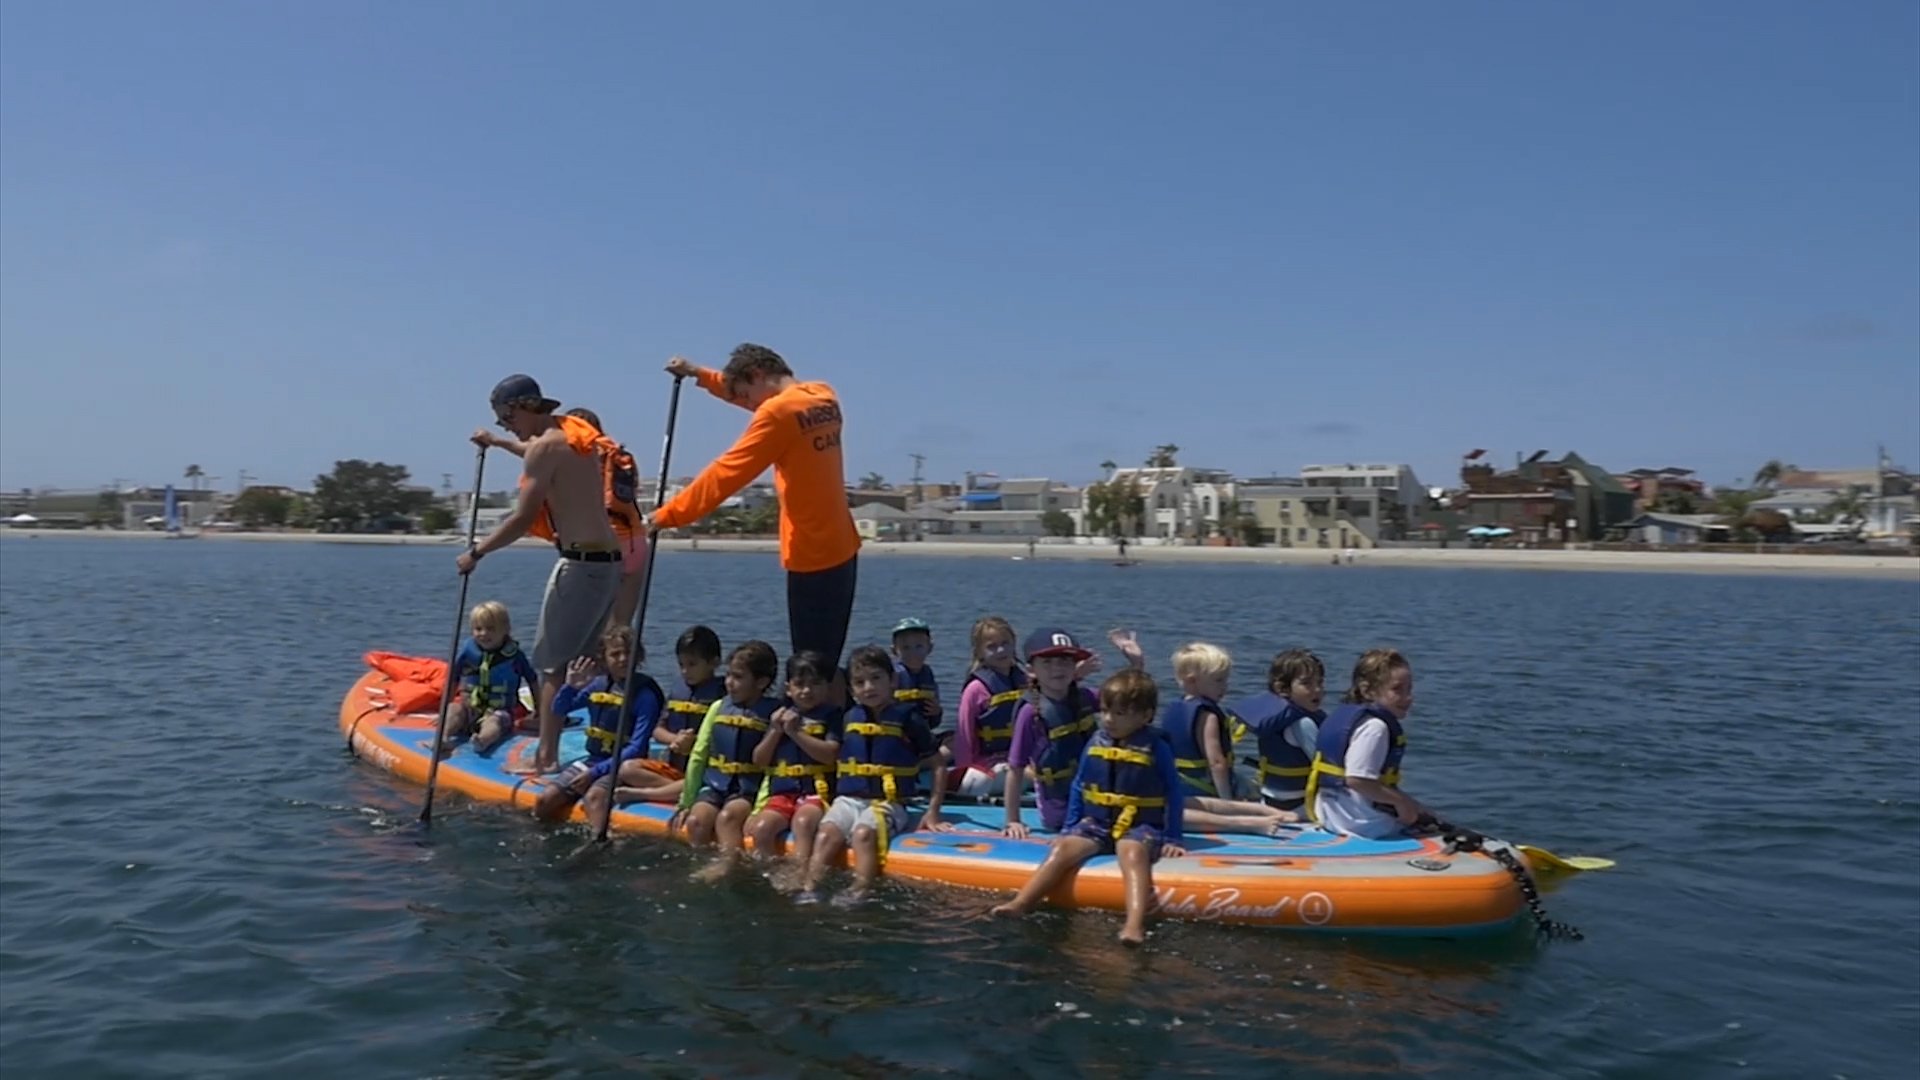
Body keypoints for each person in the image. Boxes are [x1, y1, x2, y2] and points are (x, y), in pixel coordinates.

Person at [651, 346, 862, 684]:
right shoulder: (824, 396)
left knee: (810, 667)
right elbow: (755, 398)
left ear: (758, 375)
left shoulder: (776, 415)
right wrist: (699, 374)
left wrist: (668, 515)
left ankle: (811, 730)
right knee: (825, 660)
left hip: (811, 553)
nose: (748, 406)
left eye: (748, 395)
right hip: (844, 547)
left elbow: (727, 473)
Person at [459, 374, 624, 774]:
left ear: (523, 407)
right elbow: (534, 451)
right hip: (609, 564)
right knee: (585, 661)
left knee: (552, 665)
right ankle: (602, 742)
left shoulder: (545, 448)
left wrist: (477, 552)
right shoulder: (569, 433)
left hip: (580, 566)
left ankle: (545, 757)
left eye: (505, 418)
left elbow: (522, 518)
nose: (506, 425)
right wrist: (498, 444)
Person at [991, 668, 1187, 946]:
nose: (1108, 719)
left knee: (1131, 853)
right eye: (1105, 711)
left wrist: (1173, 836)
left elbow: (1174, 793)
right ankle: (1021, 903)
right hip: (1096, 823)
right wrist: (1071, 827)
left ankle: (1133, 925)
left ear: (1145, 716)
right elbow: (1079, 787)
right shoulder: (1096, 742)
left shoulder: (1157, 748)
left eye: (1119, 714)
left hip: (1139, 824)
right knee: (1062, 849)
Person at [476, 407, 651, 628]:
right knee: (621, 630)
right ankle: (626, 661)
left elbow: (537, 451)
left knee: (587, 632)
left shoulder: (575, 450)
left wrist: (494, 441)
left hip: (603, 547)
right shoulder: (615, 454)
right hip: (636, 544)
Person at [797, 645, 946, 904]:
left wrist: (932, 811)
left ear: (893, 680)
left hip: (888, 802)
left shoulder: (907, 718)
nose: (868, 687)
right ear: (851, 689)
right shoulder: (848, 717)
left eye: (876, 679)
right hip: (849, 799)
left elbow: (939, 764)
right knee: (826, 833)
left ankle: (860, 889)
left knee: (863, 834)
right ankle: (810, 887)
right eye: (860, 682)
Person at [532, 624, 667, 830]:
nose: (623, 658)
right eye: (616, 654)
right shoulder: (598, 685)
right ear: (604, 658)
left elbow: (637, 748)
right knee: (545, 800)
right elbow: (559, 709)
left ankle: (600, 845)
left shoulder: (644, 696)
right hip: (594, 761)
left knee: (594, 799)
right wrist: (570, 686)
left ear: (638, 656)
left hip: (622, 767)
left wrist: (594, 774)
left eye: (628, 653)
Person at [670, 640, 780, 879]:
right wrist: (686, 802)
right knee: (697, 820)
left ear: (761, 682)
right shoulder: (719, 707)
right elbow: (699, 755)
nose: (729, 682)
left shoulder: (774, 715)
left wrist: (760, 808)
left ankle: (729, 864)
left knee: (728, 818)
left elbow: (775, 768)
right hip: (716, 784)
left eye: (739, 677)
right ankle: (701, 862)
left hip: (747, 789)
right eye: (729, 675)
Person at [1306, 649, 1433, 838]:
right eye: (1397, 689)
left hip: (1331, 817)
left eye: (1409, 689)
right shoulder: (1375, 727)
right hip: (1361, 826)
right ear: (1368, 690)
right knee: (1427, 822)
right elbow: (1358, 780)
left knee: (1423, 811)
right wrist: (1402, 803)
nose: (1408, 697)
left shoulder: (1346, 716)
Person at [746, 651, 844, 876]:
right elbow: (759, 760)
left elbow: (830, 755)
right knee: (762, 828)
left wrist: (795, 732)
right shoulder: (779, 716)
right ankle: (768, 875)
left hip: (817, 792)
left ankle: (799, 872)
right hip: (783, 794)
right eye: (800, 684)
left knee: (803, 822)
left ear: (827, 688)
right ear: (789, 688)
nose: (807, 691)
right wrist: (775, 730)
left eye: (815, 684)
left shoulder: (833, 716)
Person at [1001, 627, 1102, 837]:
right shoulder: (1031, 713)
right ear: (1031, 670)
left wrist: (1136, 664)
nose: (1058, 668)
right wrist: (1013, 821)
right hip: (1060, 807)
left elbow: (1128, 702)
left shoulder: (1085, 697)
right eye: (1047, 662)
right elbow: (1016, 768)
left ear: (1075, 667)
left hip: (1094, 793)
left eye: (1065, 661)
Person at [437, 600, 539, 759]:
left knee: (494, 723)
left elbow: (532, 680)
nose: (484, 633)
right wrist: (444, 708)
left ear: (505, 629)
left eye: (491, 629)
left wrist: (538, 710)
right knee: (453, 710)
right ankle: (443, 736)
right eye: (478, 629)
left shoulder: (515, 656)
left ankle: (483, 740)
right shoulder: (467, 651)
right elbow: (453, 678)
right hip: (469, 709)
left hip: (499, 712)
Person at [1234, 649, 1327, 813]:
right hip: (1300, 804)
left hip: (1270, 799)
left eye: (1320, 682)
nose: (1317, 689)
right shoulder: (1302, 723)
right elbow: (1325, 766)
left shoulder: (1270, 716)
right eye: (1307, 684)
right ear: (1282, 688)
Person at [951, 616, 1029, 801]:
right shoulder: (976, 689)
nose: (1001, 650)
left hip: (1020, 762)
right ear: (979, 652)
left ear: (1014, 643)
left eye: (1005, 643)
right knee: (976, 782)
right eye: (992, 646)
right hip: (988, 765)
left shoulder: (1026, 681)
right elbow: (965, 736)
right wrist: (964, 770)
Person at [1159, 642, 1240, 798]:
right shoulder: (1207, 716)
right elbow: (1216, 762)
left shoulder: (1174, 707)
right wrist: (1227, 800)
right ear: (1192, 681)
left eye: (1225, 680)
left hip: (1177, 785)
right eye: (1218, 680)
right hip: (1202, 790)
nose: (1225, 686)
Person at [655, 625, 726, 779]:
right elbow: (658, 730)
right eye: (681, 665)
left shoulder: (723, 694)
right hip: (674, 767)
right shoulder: (677, 690)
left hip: (704, 771)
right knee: (628, 769)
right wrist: (675, 739)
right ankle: (673, 789)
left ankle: (660, 790)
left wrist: (693, 742)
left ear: (714, 663)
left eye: (692, 664)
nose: (685, 671)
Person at [889, 617, 942, 733]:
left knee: (953, 738)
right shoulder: (893, 675)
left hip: (922, 731)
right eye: (905, 648)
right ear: (894, 651)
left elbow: (935, 719)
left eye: (919, 647)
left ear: (929, 648)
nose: (913, 653)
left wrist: (936, 712)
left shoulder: (928, 674)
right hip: (897, 731)